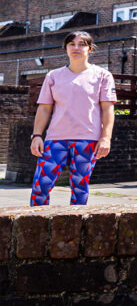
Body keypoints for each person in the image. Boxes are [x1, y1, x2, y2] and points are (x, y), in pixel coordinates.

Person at [29, 31, 116, 206]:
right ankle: (35, 228)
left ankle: (76, 230)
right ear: (66, 48)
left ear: (90, 49)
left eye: (82, 44)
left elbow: (108, 109)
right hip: (55, 139)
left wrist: (106, 138)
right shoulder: (53, 76)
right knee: (41, 187)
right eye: (72, 44)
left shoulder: (102, 76)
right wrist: (37, 135)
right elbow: (44, 108)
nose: (76, 48)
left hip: (87, 139)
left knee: (79, 187)